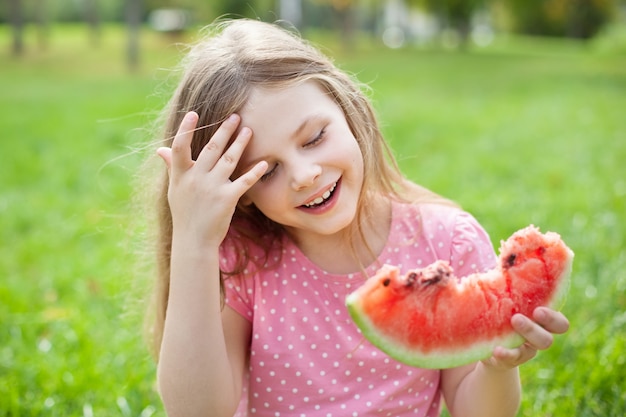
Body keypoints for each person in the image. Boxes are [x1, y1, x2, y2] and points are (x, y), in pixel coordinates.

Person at [146, 18, 569, 417]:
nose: (304, 175)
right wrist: (193, 241)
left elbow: (472, 406)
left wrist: (497, 366)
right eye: (267, 170)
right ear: (242, 196)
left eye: (314, 137)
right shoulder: (242, 259)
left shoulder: (448, 242)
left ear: (348, 110)